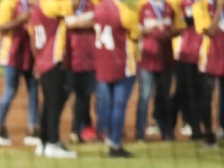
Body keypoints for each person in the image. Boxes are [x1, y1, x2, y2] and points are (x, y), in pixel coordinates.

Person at [0, 0, 41, 146]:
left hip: (30, 54)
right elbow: (0, 26)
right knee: (11, 89)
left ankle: (33, 128)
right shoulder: (9, 3)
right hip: (12, 54)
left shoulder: (38, 4)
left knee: (34, 91)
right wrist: (20, 20)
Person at [32, 0, 80, 158]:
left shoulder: (38, 8)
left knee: (48, 102)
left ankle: (44, 141)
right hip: (53, 60)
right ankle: (52, 143)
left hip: (43, 60)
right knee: (54, 103)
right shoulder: (50, 5)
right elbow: (75, 4)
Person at [95, 0, 141, 157]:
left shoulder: (98, 8)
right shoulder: (126, 12)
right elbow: (136, 35)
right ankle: (115, 143)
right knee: (118, 106)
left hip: (102, 63)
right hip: (123, 65)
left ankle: (106, 134)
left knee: (106, 105)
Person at [135, 0, 183, 141]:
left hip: (165, 60)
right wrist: (144, 31)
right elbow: (134, 31)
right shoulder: (142, 7)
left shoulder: (170, 8)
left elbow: (179, 28)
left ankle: (166, 131)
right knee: (145, 97)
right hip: (147, 60)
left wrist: (170, 34)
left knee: (164, 97)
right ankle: (139, 132)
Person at [174, 0, 211, 140]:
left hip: (205, 54)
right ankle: (193, 127)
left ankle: (203, 127)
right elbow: (183, 21)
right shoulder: (184, 3)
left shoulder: (209, 4)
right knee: (188, 93)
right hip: (187, 54)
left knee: (202, 94)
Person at [66, 1, 98, 144]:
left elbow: (99, 23)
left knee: (84, 96)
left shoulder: (92, 4)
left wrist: (77, 23)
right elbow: (67, 24)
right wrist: (87, 22)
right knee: (64, 96)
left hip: (89, 59)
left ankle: (79, 130)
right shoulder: (65, 5)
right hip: (69, 59)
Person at [196, 0, 224, 146]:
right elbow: (211, 31)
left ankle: (222, 129)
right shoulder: (200, 7)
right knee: (206, 98)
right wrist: (219, 7)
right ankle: (208, 134)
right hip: (209, 58)